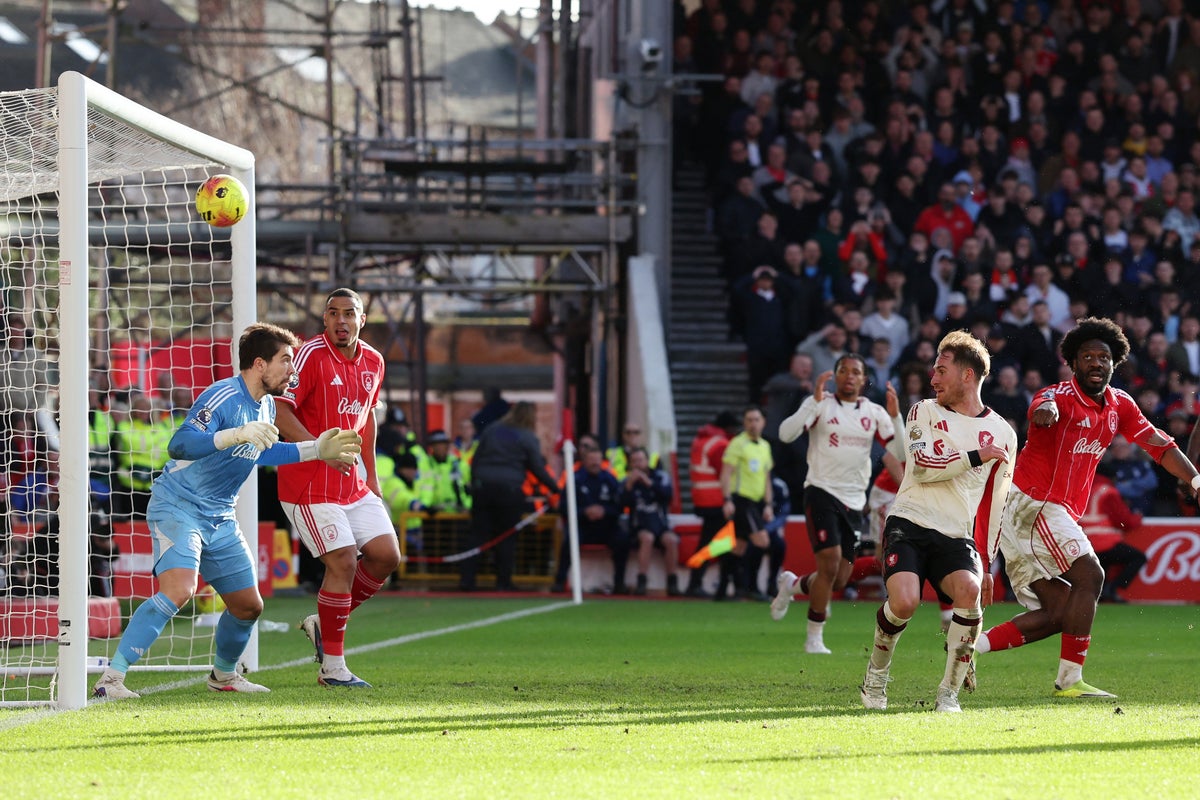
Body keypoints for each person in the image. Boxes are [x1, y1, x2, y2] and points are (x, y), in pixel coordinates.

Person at [92, 323, 362, 700]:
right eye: (285, 361)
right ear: (258, 364)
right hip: (179, 506)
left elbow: (263, 451)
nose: (292, 370)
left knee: (249, 605)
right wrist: (233, 435)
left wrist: (316, 449)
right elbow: (179, 445)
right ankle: (111, 680)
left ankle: (223, 676)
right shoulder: (222, 396)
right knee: (179, 591)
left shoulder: (266, 405)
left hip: (220, 515)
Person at [977, 318, 1200, 699]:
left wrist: (1195, 480)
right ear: (1073, 363)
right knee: (1091, 575)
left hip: (1044, 512)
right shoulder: (1057, 396)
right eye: (1087, 357)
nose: (1096, 363)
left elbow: (1160, 446)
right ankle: (1069, 680)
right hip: (1033, 505)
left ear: (1116, 362)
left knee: (1062, 611)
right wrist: (1042, 413)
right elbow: (1040, 405)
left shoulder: (1120, 405)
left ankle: (967, 648)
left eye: (1104, 357)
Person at [860, 331, 1017, 712]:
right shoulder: (923, 412)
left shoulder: (1003, 433)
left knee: (968, 592)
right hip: (909, 522)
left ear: (967, 375)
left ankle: (948, 693)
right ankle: (875, 680)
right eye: (933, 371)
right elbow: (925, 468)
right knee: (906, 601)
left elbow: (996, 504)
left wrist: (989, 562)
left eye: (941, 370)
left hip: (956, 534)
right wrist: (976, 455)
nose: (933, 379)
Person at [274, 288, 400, 689]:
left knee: (385, 556)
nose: (341, 321)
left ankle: (322, 623)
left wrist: (373, 476)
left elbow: (366, 420)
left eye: (349, 313)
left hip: (353, 483)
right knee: (343, 560)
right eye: (332, 313)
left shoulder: (374, 362)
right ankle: (333, 668)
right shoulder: (310, 355)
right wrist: (317, 448)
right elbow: (279, 408)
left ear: (362, 320)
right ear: (324, 320)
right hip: (308, 484)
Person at [770, 355, 904, 654]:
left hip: (854, 500)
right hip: (821, 491)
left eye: (855, 372)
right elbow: (785, 434)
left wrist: (896, 417)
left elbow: (900, 450)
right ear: (835, 376)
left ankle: (792, 585)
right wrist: (811, 403)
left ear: (863, 378)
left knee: (840, 577)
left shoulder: (874, 411)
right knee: (829, 563)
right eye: (843, 371)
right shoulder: (821, 404)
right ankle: (813, 637)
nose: (849, 376)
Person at [460, 401, 558, 591]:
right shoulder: (527, 437)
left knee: (478, 534)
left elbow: (477, 458)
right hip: (509, 490)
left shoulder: (492, 430)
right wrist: (556, 488)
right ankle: (503, 581)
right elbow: (537, 467)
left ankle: (467, 579)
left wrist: (476, 483)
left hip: (483, 487)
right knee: (506, 536)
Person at [551, 440, 629, 594]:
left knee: (622, 540)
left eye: (597, 460)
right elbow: (563, 507)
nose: (595, 463)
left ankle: (619, 583)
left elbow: (619, 507)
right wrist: (585, 512)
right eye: (591, 460)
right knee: (570, 540)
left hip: (606, 526)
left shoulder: (609, 480)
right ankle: (560, 581)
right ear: (584, 461)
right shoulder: (575, 479)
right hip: (582, 525)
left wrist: (604, 511)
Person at [715, 406, 774, 600]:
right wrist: (726, 499)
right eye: (749, 420)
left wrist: (768, 504)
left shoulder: (765, 446)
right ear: (744, 422)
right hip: (741, 500)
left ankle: (723, 589)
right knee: (762, 541)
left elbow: (766, 478)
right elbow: (726, 473)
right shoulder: (737, 444)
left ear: (763, 422)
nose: (753, 423)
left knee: (739, 546)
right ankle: (751, 586)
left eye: (756, 419)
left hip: (756, 502)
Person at [684, 411, 741, 598]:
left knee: (714, 542)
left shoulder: (703, 440)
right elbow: (725, 474)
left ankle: (716, 585)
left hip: (703, 498)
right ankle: (700, 584)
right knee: (714, 544)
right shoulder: (720, 444)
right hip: (716, 500)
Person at [1082, 470, 1148, 605]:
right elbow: (1124, 521)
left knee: (1102, 567)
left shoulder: (1084, 488)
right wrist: (1137, 518)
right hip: (1104, 541)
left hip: (1085, 542)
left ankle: (1101, 596)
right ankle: (1112, 588)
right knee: (1138, 558)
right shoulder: (1107, 491)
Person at [622, 447, 680, 596]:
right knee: (647, 538)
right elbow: (620, 503)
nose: (637, 464)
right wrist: (629, 486)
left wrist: (649, 483)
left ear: (647, 461)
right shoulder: (627, 480)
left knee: (671, 540)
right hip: (639, 526)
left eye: (640, 460)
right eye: (634, 461)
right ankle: (642, 581)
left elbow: (667, 495)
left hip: (660, 524)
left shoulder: (660, 476)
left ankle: (672, 582)